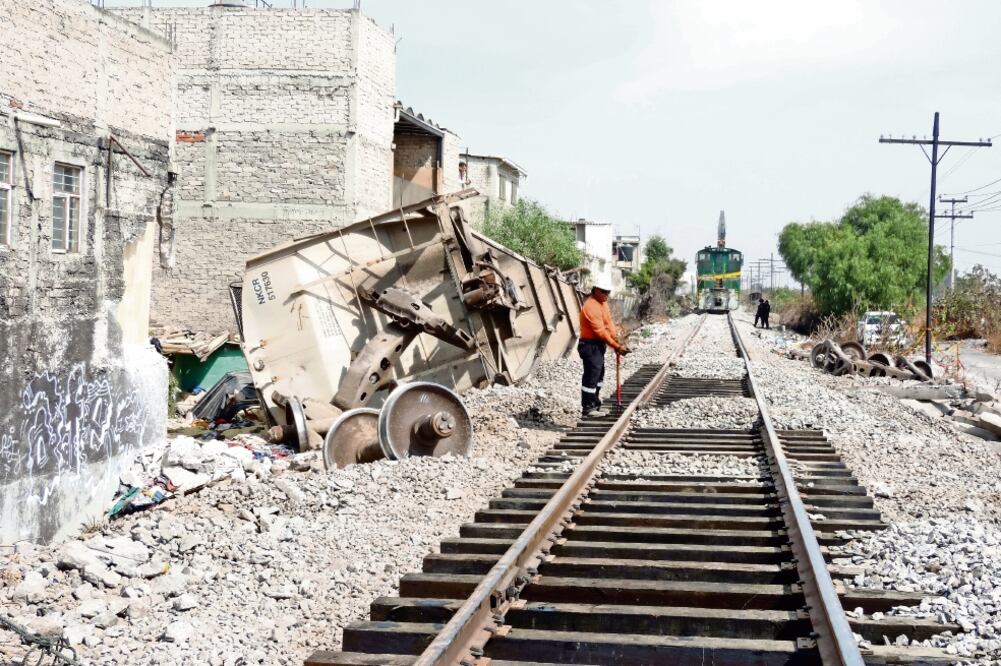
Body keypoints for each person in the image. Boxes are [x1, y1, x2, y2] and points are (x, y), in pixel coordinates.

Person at [578, 282, 629, 418]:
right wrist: (616, 346)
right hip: (589, 345)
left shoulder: (603, 303)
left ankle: (595, 404)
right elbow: (600, 332)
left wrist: (616, 339)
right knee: (591, 376)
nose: (606, 295)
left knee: (599, 375)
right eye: (604, 291)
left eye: (608, 292)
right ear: (595, 290)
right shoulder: (591, 307)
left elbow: (608, 324)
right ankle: (588, 408)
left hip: (598, 345)